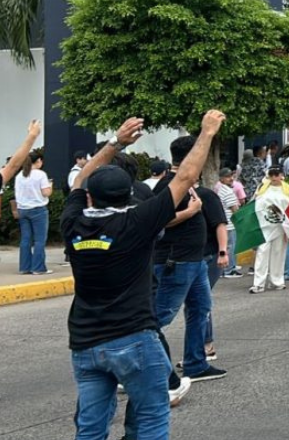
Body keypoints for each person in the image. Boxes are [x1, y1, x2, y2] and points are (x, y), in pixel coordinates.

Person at [63, 112, 223, 439]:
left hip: (86, 343)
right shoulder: (137, 222)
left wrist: (116, 142)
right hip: (133, 337)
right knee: (150, 417)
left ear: (90, 197)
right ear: (130, 195)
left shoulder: (73, 223)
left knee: (90, 428)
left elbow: (79, 181)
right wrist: (206, 133)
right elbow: (187, 176)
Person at [151, 134, 229, 384]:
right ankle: (138, 369)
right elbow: (157, 220)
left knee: (200, 309)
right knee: (159, 316)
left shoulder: (189, 184)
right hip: (176, 261)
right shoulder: (169, 185)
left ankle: (196, 364)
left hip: (194, 262)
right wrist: (190, 212)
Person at [249, 166, 289, 294]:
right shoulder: (262, 188)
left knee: (278, 253)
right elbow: (253, 204)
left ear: (282, 175)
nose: (274, 177)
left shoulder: (288, 189)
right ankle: (258, 284)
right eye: (272, 174)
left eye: (277, 174)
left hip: (281, 227)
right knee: (262, 253)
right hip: (264, 227)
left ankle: (277, 281)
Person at [13, 151, 54, 275]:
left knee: (26, 239)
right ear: (38, 161)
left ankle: (24, 267)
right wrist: (50, 185)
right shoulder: (40, 174)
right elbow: (46, 193)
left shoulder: (20, 175)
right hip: (38, 209)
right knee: (39, 240)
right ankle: (38, 267)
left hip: (23, 209)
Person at [214, 168, 244, 278]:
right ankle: (229, 270)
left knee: (225, 246)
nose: (231, 179)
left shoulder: (218, 188)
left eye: (232, 176)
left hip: (222, 222)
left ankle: (225, 268)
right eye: (228, 177)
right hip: (229, 223)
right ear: (221, 178)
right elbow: (235, 209)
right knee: (230, 246)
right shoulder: (227, 191)